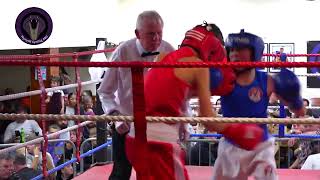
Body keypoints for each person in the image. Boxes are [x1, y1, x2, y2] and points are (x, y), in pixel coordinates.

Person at [125, 23, 266, 180]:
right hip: (159, 144)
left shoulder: (163, 57)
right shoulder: (199, 67)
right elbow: (207, 120)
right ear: (214, 47)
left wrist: (183, 121)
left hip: (134, 138)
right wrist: (239, 131)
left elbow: (167, 93)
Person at [212, 29, 305, 180]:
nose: (234, 53)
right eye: (232, 49)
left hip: (260, 145)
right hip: (231, 144)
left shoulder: (267, 80)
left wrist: (294, 97)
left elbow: (300, 112)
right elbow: (194, 94)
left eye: (241, 49)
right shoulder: (223, 78)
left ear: (254, 53)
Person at [97, 10, 175, 180]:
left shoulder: (169, 50)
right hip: (126, 122)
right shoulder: (123, 51)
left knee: (156, 173)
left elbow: (177, 88)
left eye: (159, 33)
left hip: (157, 125)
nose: (156, 38)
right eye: (150, 34)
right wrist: (116, 117)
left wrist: (183, 120)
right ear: (137, 34)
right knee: (121, 173)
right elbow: (105, 91)